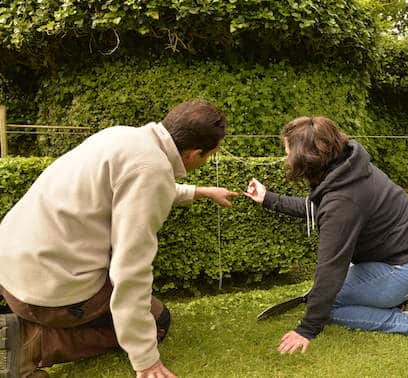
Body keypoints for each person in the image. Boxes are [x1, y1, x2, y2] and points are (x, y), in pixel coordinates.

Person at [0, 100, 238, 377]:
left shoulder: (123, 136)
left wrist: (198, 191)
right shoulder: (152, 170)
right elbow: (130, 271)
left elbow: (138, 186)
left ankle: (31, 322)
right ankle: (32, 341)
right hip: (45, 293)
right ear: (195, 154)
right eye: (209, 156)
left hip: (12, 270)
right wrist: (146, 359)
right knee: (157, 320)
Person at [244, 116, 408, 354]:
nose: (285, 156)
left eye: (288, 151)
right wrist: (269, 199)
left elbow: (331, 267)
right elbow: (324, 209)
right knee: (326, 295)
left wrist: (308, 328)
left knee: (329, 306)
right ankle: (405, 297)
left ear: (306, 159)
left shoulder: (343, 197)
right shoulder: (349, 169)